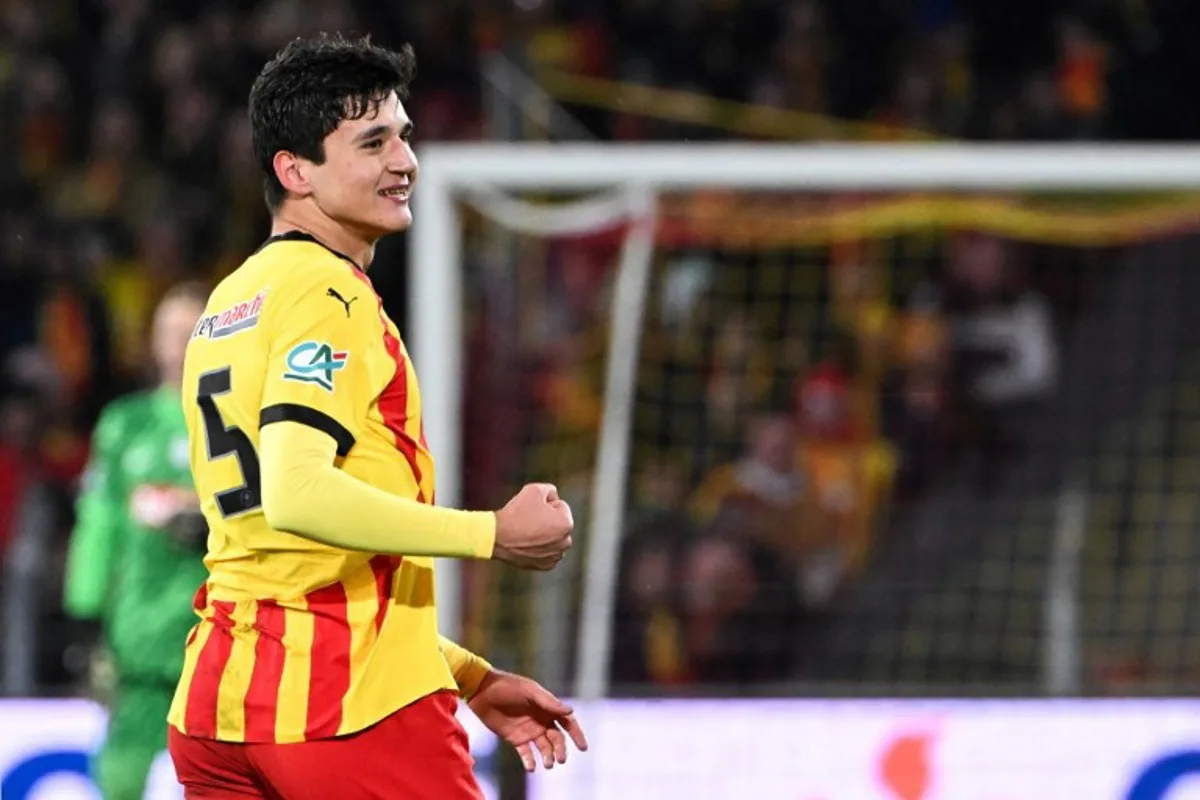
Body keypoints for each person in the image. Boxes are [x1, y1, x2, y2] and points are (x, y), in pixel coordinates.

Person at [165, 33, 586, 799]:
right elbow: (298, 494)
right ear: (294, 172)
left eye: (403, 135)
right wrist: (491, 535)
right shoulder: (330, 296)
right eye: (372, 142)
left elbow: (282, 561)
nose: (405, 161)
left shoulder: (229, 302)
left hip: (219, 710)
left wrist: (464, 673)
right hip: (345, 711)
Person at [64, 283, 212, 800]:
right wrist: (84, 615)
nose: (178, 344)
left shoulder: (242, 426)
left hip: (222, 641)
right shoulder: (126, 426)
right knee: (122, 778)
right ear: (152, 341)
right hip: (141, 638)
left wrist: (210, 523)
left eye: (191, 330)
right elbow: (98, 524)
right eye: (169, 331)